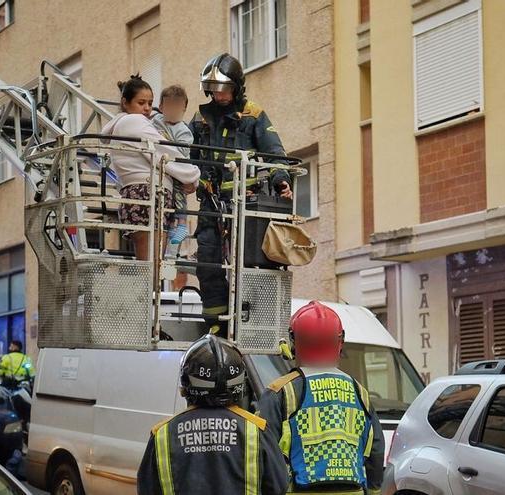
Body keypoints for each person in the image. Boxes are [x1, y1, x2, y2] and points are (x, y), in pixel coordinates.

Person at [189, 53, 293, 335]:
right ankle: (216, 327)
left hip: (246, 207)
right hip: (211, 207)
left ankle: (250, 323)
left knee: (249, 266)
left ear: (236, 86)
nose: (219, 95)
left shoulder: (253, 115)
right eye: (214, 89)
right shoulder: (200, 118)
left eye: (224, 89)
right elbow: (185, 155)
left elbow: (274, 152)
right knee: (207, 264)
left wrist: (281, 179)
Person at [257, 301, 384, 495]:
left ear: (294, 342)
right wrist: (374, 490)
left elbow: (262, 451)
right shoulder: (359, 391)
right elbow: (376, 449)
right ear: (340, 342)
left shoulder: (280, 391)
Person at [137, 334, 288, 495]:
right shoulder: (257, 431)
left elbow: (146, 488)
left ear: (186, 385)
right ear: (239, 385)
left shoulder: (162, 434)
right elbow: (279, 486)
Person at [102, 75, 200, 261]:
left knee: (150, 261)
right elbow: (164, 153)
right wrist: (193, 176)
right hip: (147, 194)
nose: (147, 108)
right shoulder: (134, 122)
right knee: (152, 263)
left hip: (140, 194)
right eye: (141, 103)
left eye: (150, 103)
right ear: (125, 102)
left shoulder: (123, 124)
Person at [152, 84, 194, 288]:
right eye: (170, 107)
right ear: (161, 107)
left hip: (176, 170)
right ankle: (170, 238)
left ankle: (182, 225)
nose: (174, 112)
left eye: (178, 108)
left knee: (179, 197)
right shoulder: (155, 121)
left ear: (184, 110)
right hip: (161, 171)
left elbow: (183, 153)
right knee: (165, 215)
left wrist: (165, 144)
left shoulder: (183, 130)